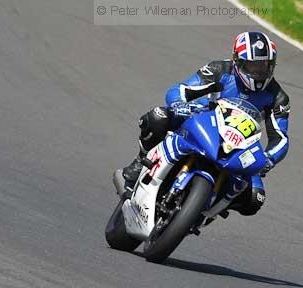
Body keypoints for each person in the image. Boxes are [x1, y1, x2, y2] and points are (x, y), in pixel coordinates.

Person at [116, 31, 290, 217]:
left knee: (255, 198)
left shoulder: (277, 96)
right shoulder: (219, 69)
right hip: (201, 121)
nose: (258, 72)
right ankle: (137, 166)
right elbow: (182, 89)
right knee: (158, 117)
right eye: (252, 65)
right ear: (237, 61)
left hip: (239, 144)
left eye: (264, 66)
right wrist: (179, 105)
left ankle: (209, 207)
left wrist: (268, 158)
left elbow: (280, 138)